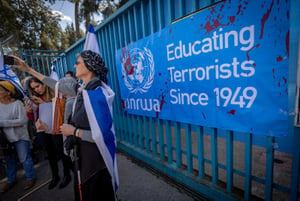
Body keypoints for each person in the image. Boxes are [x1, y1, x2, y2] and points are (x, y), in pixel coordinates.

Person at [11, 50, 118, 201]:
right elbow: (55, 85)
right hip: (82, 159)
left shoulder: (97, 95)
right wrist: (29, 70)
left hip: (95, 164)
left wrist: (74, 131)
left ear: (89, 66)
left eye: (78, 62)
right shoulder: (82, 90)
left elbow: (105, 136)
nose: (74, 66)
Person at [25, 77, 72, 190]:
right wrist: (29, 111)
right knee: (50, 154)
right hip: (42, 130)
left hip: (56, 128)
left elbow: (60, 111)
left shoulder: (55, 94)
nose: (37, 90)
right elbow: (33, 118)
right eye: (33, 88)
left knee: (62, 152)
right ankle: (55, 176)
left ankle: (67, 175)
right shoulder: (33, 99)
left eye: (38, 86)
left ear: (44, 84)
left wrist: (44, 103)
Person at [0, 80, 36, 192]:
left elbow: (23, 121)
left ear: (8, 92)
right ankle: (11, 180)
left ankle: (30, 177)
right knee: (9, 160)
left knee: (24, 158)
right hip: (5, 139)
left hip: (20, 136)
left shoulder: (18, 104)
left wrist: (2, 123)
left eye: (0, 90)